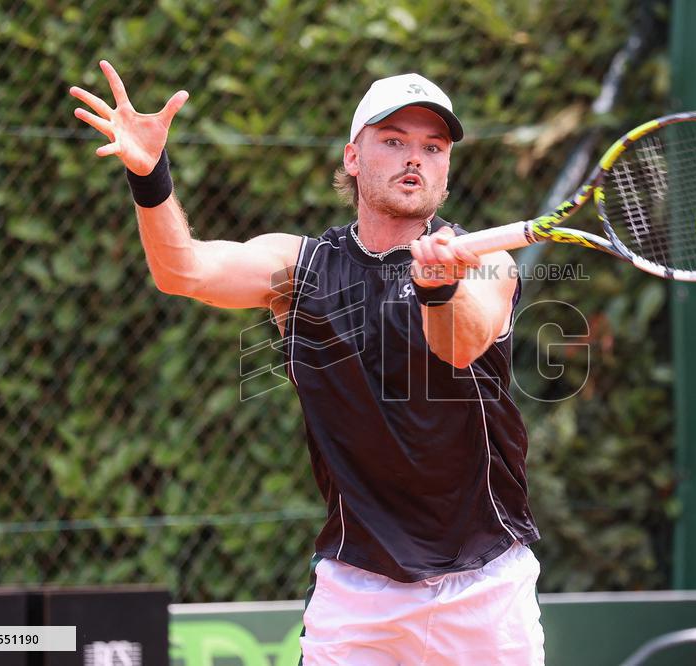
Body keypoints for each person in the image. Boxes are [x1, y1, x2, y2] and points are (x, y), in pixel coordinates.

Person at [69, 61, 544, 665]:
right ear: (352, 157)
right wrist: (149, 175)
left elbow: (459, 345)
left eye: (433, 146)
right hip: (358, 591)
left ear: (446, 169)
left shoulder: (485, 262)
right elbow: (181, 270)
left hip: (485, 586)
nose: (415, 158)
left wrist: (439, 289)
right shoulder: (300, 270)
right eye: (394, 141)